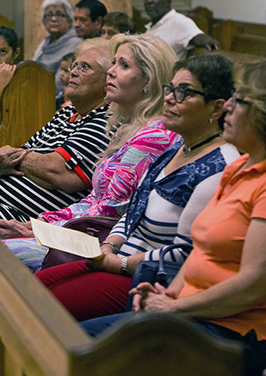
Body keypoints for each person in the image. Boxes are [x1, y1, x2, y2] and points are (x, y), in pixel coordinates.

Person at [81, 59, 266, 376]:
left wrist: (173, 307)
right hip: (200, 318)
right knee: (68, 337)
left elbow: (254, 286)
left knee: (82, 350)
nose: (227, 107)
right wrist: (168, 294)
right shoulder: (241, 168)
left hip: (242, 335)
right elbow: (200, 249)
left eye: (238, 101)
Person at [34, 55, 240, 320]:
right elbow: (133, 210)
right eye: (170, 89)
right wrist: (109, 244)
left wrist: (117, 262)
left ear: (216, 108)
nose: (169, 99)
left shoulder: (220, 167)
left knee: (40, 309)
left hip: (148, 282)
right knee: (27, 287)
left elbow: (186, 255)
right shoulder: (177, 149)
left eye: (184, 92)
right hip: (117, 260)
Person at [0, 34, 180, 270]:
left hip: (108, 248)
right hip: (83, 234)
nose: (111, 72)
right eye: (113, 63)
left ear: (147, 80)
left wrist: (45, 231)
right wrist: (39, 224)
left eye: (123, 65)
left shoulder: (152, 137)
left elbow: (110, 210)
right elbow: (95, 199)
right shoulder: (126, 129)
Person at [0, 39, 113, 225]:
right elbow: (6, 160)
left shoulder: (106, 121)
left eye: (84, 67)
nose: (72, 72)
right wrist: (18, 159)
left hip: (17, 216)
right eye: (74, 65)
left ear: (108, 81)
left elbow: (58, 173)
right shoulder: (67, 112)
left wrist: (21, 158)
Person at [143, 0, 218, 59]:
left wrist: (210, 43)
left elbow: (198, 37)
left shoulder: (179, 21)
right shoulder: (151, 25)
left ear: (168, 1)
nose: (149, 1)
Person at [32, 0, 82, 93]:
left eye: (59, 14)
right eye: (49, 15)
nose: (53, 19)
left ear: (69, 19)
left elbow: (60, 83)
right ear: (43, 21)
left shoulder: (75, 44)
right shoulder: (45, 42)